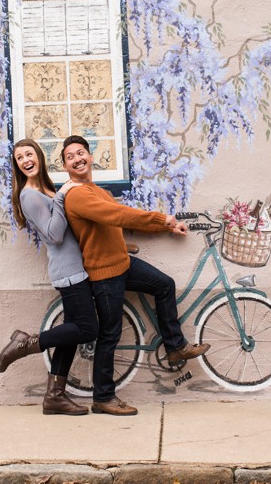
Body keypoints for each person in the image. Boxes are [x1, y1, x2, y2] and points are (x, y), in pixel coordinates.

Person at [61, 135, 209, 416]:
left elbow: (122, 223)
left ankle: (175, 346)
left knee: (164, 285)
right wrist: (160, 219)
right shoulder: (77, 194)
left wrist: (166, 227)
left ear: (91, 157)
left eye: (82, 153)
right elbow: (118, 215)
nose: (78, 159)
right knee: (110, 335)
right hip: (104, 273)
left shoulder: (96, 190)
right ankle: (103, 397)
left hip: (122, 263)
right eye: (71, 156)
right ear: (65, 166)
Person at [0, 138, 98, 416]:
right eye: (20, 158)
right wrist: (65, 194)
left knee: (71, 334)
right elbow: (54, 235)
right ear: (17, 166)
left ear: (39, 157)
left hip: (75, 266)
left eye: (29, 154)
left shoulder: (46, 188)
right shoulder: (29, 195)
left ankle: (54, 396)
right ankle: (28, 342)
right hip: (68, 271)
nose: (26, 160)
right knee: (89, 329)